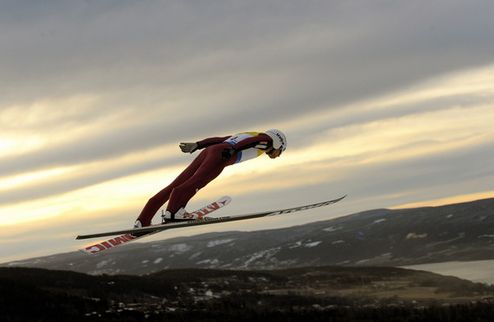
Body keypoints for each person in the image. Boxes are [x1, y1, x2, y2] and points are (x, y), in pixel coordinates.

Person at [134, 129, 287, 228]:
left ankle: (142, 221)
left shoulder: (250, 135)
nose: (277, 155)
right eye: (280, 151)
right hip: (221, 155)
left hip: (211, 150)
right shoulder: (265, 139)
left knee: (176, 184)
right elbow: (247, 143)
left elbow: (221, 139)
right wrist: (232, 149)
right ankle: (174, 213)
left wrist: (199, 144)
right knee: (197, 182)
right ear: (278, 142)